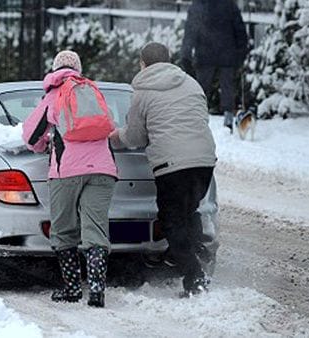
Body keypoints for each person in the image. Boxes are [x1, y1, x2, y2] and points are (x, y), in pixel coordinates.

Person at [109, 42, 217, 297]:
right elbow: (201, 118)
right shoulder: (191, 83)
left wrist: (115, 137)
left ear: (142, 63)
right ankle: (187, 254)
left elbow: (135, 136)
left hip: (172, 165)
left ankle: (194, 278)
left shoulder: (142, 92)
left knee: (171, 221)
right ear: (169, 60)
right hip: (204, 160)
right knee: (189, 211)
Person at [22, 50, 117, 308]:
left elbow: (31, 137)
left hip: (67, 172)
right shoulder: (92, 90)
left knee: (64, 230)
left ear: (55, 68)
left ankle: (73, 289)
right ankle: (97, 290)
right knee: (95, 229)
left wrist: (44, 143)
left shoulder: (54, 95)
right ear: (78, 68)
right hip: (103, 170)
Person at [180, 0, 248, 133]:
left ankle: (196, 120)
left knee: (200, 89)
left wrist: (186, 53)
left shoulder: (199, 5)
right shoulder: (229, 4)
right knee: (227, 88)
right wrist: (242, 52)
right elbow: (239, 29)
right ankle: (228, 120)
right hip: (227, 52)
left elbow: (191, 30)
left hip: (205, 53)